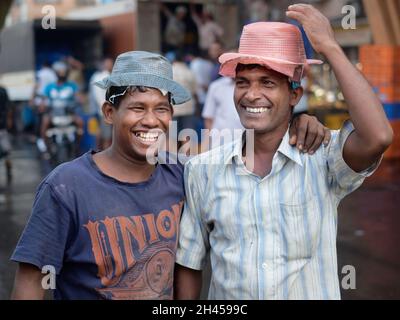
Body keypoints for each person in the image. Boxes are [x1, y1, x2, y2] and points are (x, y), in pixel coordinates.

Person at [10, 50, 329, 300]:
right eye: (137, 107)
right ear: (110, 112)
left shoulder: (184, 175)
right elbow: (30, 284)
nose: (151, 120)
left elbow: (243, 165)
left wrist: (298, 122)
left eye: (161, 109)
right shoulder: (65, 187)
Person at [175, 5, 393, 300]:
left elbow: (378, 136)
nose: (252, 94)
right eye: (242, 82)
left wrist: (330, 47)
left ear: (294, 95)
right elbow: (189, 263)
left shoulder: (322, 157)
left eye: (268, 82)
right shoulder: (203, 169)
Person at [38, 61, 84, 154]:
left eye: (64, 72)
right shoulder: (50, 87)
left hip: (69, 114)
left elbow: (80, 98)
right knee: (44, 124)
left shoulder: (72, 85)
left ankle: (77, 146)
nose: (62, 74)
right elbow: (43, 100)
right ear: (56, 73)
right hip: (53, 114)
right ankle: (47, 148)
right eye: (60, 72)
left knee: (80, 123)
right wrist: (42, 106)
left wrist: (79, 101)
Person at [202, 76, 243, 148]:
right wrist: (208, 143)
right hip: (219, 141)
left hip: (243, 140)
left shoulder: (249, 88)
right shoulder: (216, 86)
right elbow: (208, 117)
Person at [89, 57, 114, 150]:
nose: (110, 65)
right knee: (106, 136)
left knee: (99, 134)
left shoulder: (96, 76)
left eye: (111, 63)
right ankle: (103, 156)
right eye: (108, 63)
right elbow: (98, 95)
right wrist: (104, 109)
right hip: (104, 111)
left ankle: (98, 154)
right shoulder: (104, 76)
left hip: (99, 111)